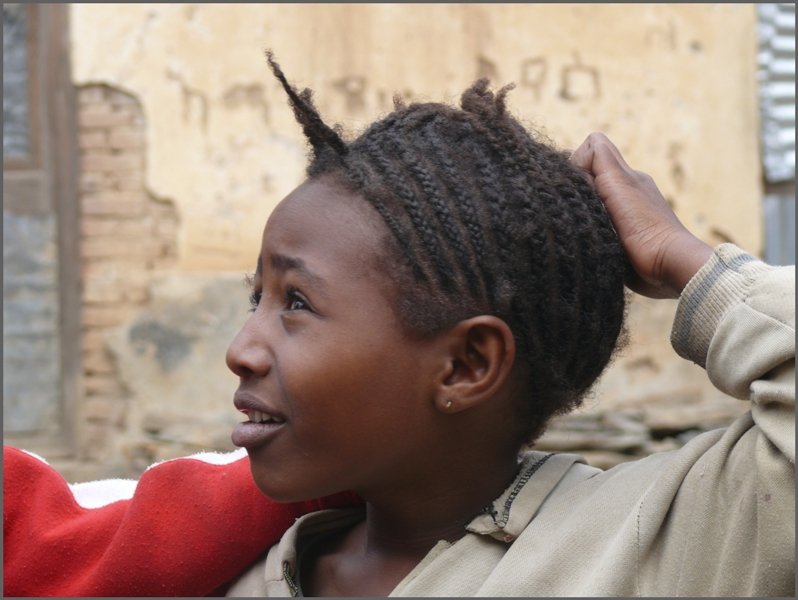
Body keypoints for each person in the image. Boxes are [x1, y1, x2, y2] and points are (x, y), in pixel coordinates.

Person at [3, 52, 793, 597]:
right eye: (257, 300)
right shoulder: (229, 570)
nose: (241, 350)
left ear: (465, 365)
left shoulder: (653, 540)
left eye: (298, 305)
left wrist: (689, 263)